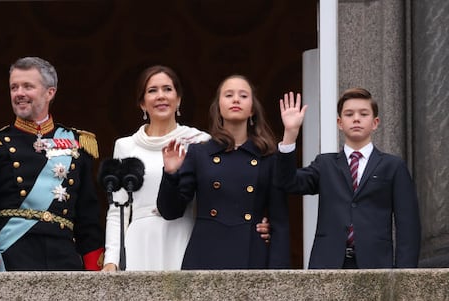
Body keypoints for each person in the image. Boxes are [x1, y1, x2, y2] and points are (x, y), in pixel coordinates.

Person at [102, 65, 270, 271]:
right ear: (142, 103)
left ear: (179, 99)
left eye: (167, 89)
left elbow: (229, 190)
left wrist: (258, 223)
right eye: (152, 90)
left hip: (184, 237)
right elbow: (117, 210)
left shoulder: (199, 141)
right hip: (140, 240)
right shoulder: (125, 146)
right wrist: (112, 259)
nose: (161, 96)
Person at [0, 57, 104, 271]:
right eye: (14, 87)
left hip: (65, 260)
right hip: (13, 257)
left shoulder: (78, 144)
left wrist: (94, 267)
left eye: (27, 86)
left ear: (50, 92)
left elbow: (88, 216)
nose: (19, 93)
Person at [156, 74, 290, 269]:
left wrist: (280, 276)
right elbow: (170, 211)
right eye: (229, 95)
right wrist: (170, 173)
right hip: (205, 253)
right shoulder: (199, 153)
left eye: (243, 96)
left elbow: (280, 222)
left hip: (253, 254)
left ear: (252, 109)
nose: (236, 99)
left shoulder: (267, 157)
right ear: (218, 106)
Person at [277, 88, 420, 269]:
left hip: (375, 264)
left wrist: (404, 275)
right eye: (349, 114)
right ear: (340, 122)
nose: (356, 119)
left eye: (364, 114)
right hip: (328, 263)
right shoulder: (325, 164)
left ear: (375, 123)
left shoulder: (393, 166)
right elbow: (289, 182)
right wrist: (290, 134)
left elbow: (408, 225)